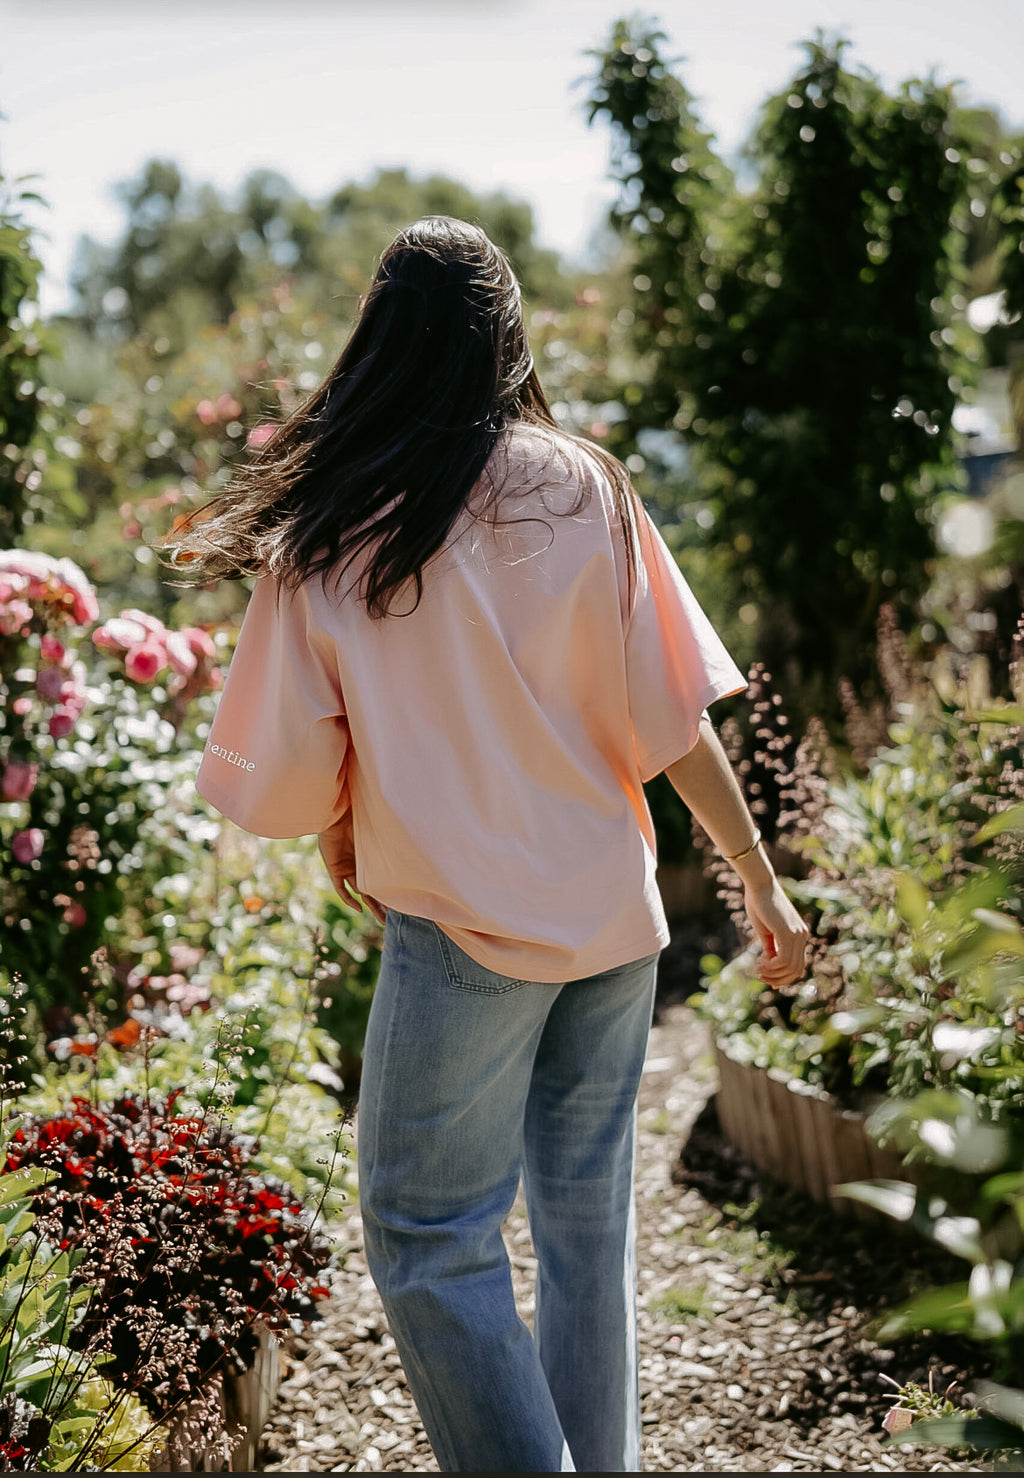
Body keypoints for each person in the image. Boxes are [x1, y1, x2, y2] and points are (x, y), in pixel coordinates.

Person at [172, 216, 809, 1473]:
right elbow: (671, 717)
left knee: (427, 1234)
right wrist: (758, 876)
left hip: (462, 931)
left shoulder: (334, 517)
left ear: (378, 338)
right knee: (588, 1228)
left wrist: (350, 815)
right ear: (504, 334)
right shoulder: (587, 485)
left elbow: (287, 772)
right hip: (613, 914)